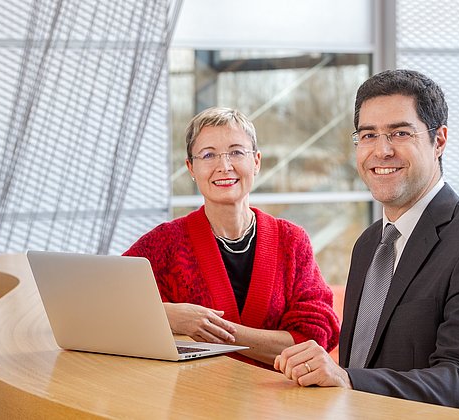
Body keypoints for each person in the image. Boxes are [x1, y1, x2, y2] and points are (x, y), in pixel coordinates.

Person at [274, 69, 459, 415]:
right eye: (368, 135)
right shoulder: (369, 244)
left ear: (439, 141)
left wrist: (347, 379)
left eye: (400, 133)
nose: (382, 150)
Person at [124, 107, 339, 368]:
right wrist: (165, 315)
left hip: (277, 402)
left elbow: (314, 338)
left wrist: (214, 331)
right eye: (208, 155)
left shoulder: (291, 241)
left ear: (256, 161)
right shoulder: (165, 243)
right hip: (192, 400)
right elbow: (107, 305)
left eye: (236, 152)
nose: (224, 166)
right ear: (191, 168)